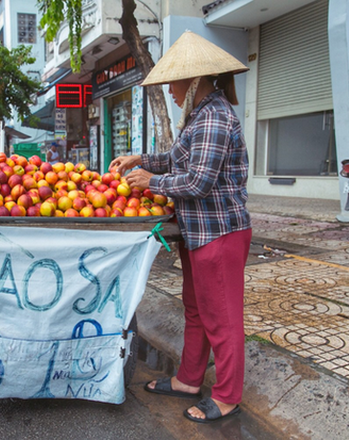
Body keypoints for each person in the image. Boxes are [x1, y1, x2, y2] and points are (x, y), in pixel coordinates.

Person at [109, 31, 252, 424]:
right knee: (196, 310)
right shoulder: (200, 115)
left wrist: (149, 182)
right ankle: (189, 379)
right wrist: (140, 158)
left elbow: (197, 183)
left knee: (221, 317)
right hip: (199, 232)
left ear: (192, 81)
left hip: (219, 233)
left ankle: (226, 396)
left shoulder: (217, 117)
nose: (169, 91)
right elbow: (175, 158)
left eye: (171, 83)